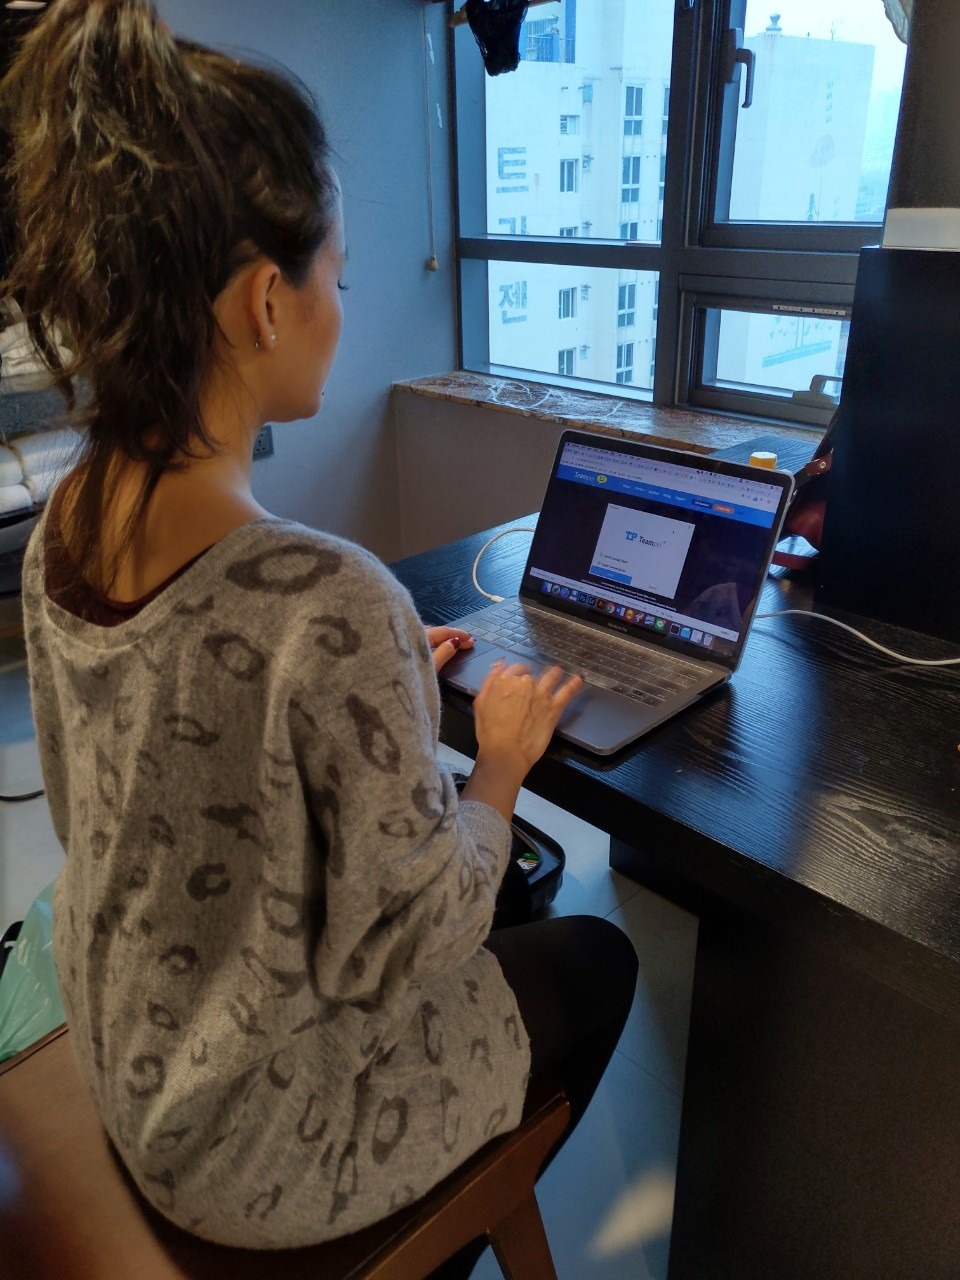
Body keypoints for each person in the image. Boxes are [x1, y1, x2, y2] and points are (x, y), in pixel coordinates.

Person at [5, 0, 639, 1269]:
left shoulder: (63, 522)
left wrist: (369, 695)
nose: (343, 307)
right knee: (590, 954)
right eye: (337, 279)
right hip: (259, 1148)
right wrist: (499, 763)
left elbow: (124, 792)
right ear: (264, 302)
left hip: (139, 1054)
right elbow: (420, 930)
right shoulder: (329, 600)